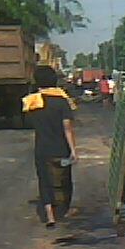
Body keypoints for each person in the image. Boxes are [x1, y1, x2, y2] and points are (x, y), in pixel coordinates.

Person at [23, 65, 78, 228]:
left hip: (42, 149)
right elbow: (67, 128)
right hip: (61, 149)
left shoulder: (33, 103)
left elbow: (29, 123)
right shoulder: (62, 102)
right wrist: (73, 150)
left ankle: (50, 216)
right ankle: (63, 210)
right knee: (64, 180)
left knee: (44, 181)